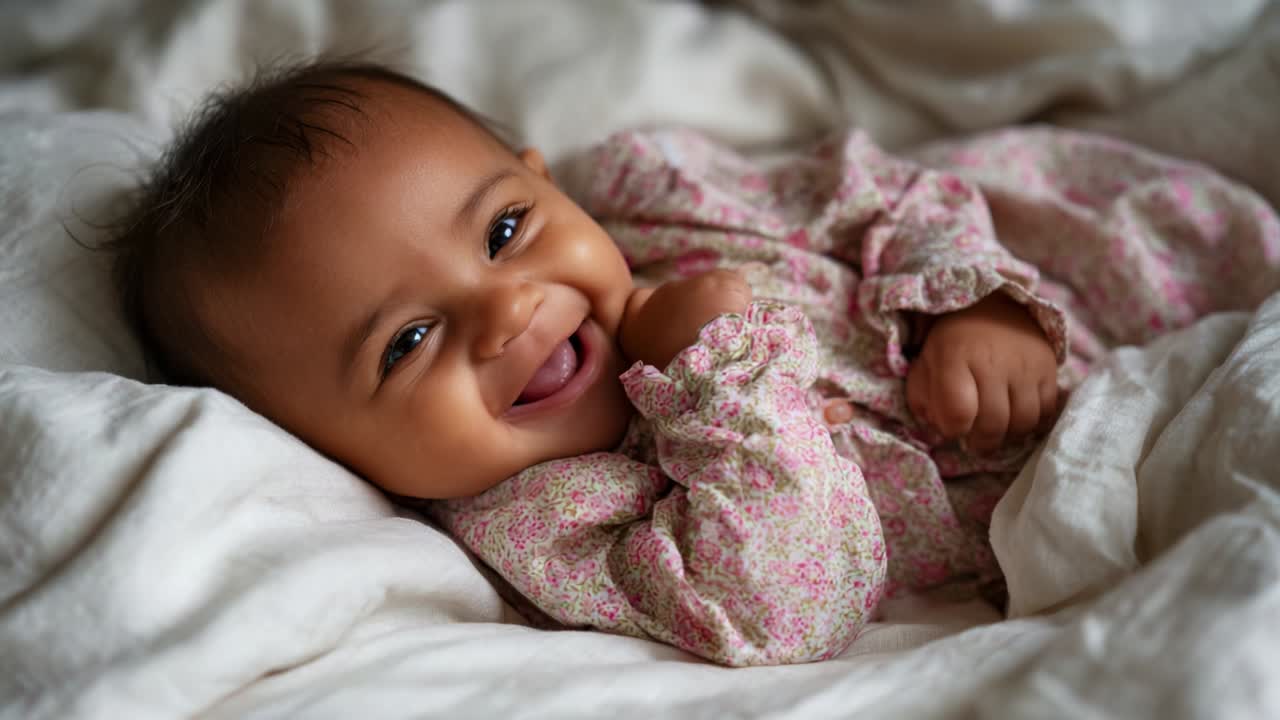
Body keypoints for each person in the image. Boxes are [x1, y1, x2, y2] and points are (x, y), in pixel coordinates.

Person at [106, 61, 1280, 666]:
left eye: (506, 229)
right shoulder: (546, 517)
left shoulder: (647, 196)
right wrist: (717, 375)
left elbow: (874, 192)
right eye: (406, 343)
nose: (505, 310)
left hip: (1075, 268)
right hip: (1099, 455)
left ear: (547, 178)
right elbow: (788, 607)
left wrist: (972, 306)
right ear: (326, 447)